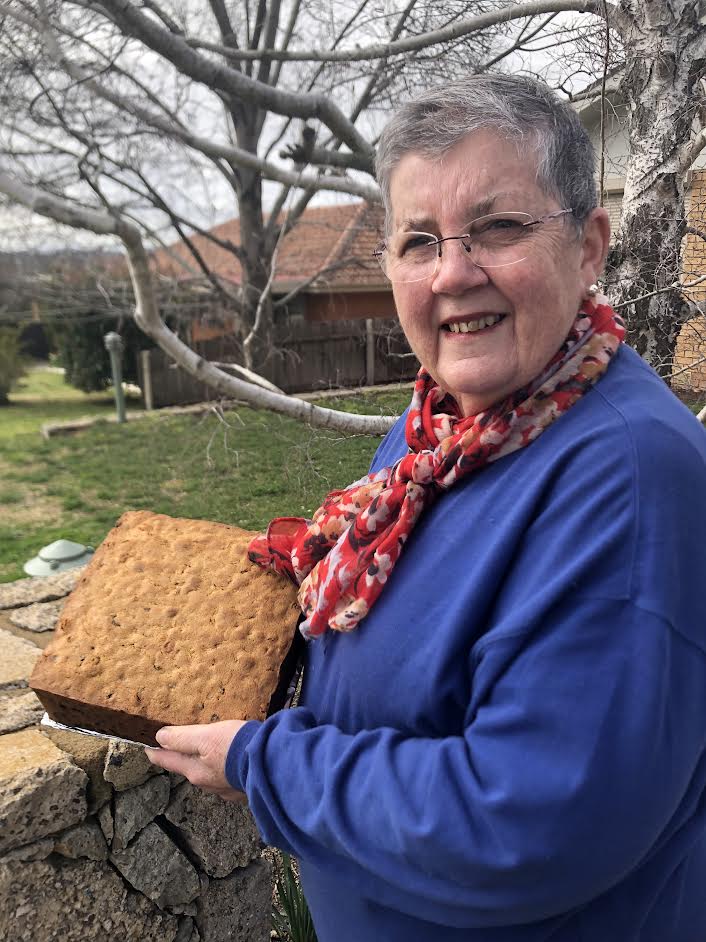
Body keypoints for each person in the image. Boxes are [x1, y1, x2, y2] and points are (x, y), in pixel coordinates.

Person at [145, 74, 706, 941]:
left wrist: (267, 768)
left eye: (499, 228)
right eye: (418, 241)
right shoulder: (439, 431)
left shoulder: (629, 480)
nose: (452, 272)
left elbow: (526, 827)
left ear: (590, 246)